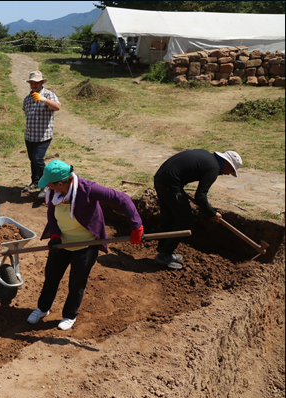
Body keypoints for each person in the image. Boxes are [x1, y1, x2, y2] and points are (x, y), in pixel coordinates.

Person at [27, 160, 144, 330]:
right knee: (51, 278)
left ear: (60, 183)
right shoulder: (55, 193)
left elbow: (122, 198)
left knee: (77, 282)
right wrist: (54, 235)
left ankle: (69, 315)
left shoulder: (88, 189)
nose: (48, 188)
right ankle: (43, 308)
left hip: (86, 245)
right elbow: (52, 214)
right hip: (61, 243)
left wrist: (136, 226)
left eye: (50, 184)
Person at [153, 149, 242, 270]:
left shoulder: (207, 156)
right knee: (186, 219)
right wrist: (212, 213)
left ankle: (163, 252)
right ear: (227, 163)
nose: (227, 174)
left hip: (161, 178)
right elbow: (200, 196)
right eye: (230, 170)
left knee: (168, 217)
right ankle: (164, 255)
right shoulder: (214, 168)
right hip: (170, 183)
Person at [21, 71, 61, 195]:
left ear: (41, 83)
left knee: (38, 159)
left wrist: (43, 100)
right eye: (32, 83)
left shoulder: (49, 94)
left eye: (36, 82)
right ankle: (35, 181)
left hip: (43, 136)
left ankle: (47, 186)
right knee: (32, 159)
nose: (34, 85)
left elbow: (57, 107)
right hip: (30, 135)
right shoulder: (27, 98)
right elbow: (25, 113)